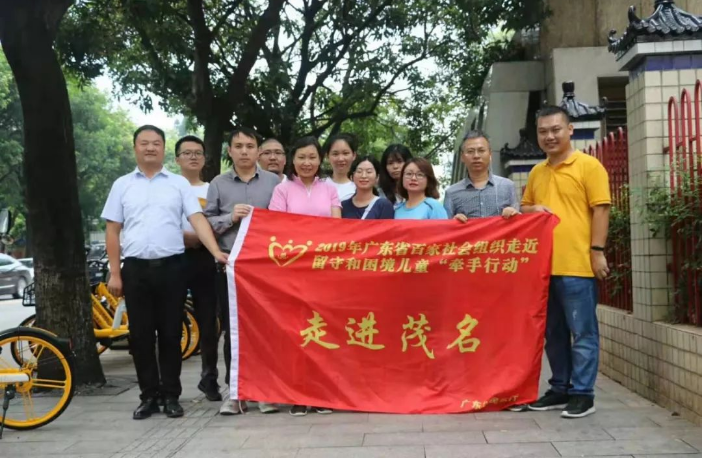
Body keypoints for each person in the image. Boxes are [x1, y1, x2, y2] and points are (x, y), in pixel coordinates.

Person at [102, 125, 228, 421]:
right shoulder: (122, 185)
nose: (150, 148)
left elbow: (197, 219)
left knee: (172, 334)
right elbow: (113, 230)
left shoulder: (178, 184)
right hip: (135, 269)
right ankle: (148, 396)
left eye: (156, 143)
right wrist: (115, 273)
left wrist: (215, 251)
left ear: (163, 148)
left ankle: (171, 395)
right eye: (144, 143)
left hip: (172, 268)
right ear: (135, 148)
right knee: (140, 337)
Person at [520, 105, 610, 418]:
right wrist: (533, 210)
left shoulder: (589, 166)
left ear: (570, 130)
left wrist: (597, 250)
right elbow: (525, 207)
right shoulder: (537, 172)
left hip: (577, 267)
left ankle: (583, 394)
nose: (550, 136)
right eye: (543, 131)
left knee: (582, 332)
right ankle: (560, 387)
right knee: (553, 334)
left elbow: (601, 209)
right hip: (544, 269)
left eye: (556, 129)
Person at [204, 127, 281, 415]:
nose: (245, 151)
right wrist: (230, 217)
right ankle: (235, 393)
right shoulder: (218, 184)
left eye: (250, 146)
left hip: (266, 269)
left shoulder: (274, 181)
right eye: (239, 146)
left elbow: (285, 220)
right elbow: (206, 222)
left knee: (267, 331)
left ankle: (265, 391)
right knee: (233, 331)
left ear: (258, 151)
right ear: (230, 151)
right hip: (231, 269)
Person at [269, 136, 341, 416]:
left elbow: (336, 227)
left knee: (324, 331)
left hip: (324, 271)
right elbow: (277, 227)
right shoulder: (282, 189)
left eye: (312, 157)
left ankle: (323, 394)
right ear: (292, 160)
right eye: (301, 157)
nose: (307, 162)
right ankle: (299, 394)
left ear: (320, 160)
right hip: (294, 272)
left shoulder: (330, 189)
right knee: (298, 333)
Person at [175, 135, 221, 402]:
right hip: (176, 257)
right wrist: (185, 237)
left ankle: (210, 378)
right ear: (177, 159)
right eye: (187, 153)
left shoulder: (213, 188)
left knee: (208, 321)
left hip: (206, 258)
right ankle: (171, 384)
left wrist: (204, 239)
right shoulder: (170, 187)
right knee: (172, 322)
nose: (193, 157)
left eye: (198, 153)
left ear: (204, 159)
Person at [444, 130, 519, 221]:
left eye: (481, 150)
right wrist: (453, 222)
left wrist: (514, 213)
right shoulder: (452, 193)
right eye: (470, 151)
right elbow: (445, 227)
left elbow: (520, 222)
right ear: (462, 157)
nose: (476, 156)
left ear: (490, 154)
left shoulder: (507, 186)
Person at [341, 155, 394, 220]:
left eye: (369, 172)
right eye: (359, 171)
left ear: (377, 177)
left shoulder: (384, 205)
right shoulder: (343, 206)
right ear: (351, 177)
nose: (364, 176)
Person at [324, 133, 357, 201]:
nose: (340, 159)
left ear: (354, 155)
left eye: (345, 153)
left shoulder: (358, 190)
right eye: (335, 154)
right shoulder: (318, 184)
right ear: (327, 157)